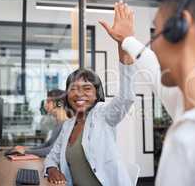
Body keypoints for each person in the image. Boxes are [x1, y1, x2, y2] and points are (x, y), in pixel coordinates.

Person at [100, 0, 195, 185]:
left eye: (155, 34)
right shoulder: (184, 99)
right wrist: (127, 40)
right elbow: (149, 64)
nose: (153, 46)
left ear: (180, 28)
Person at [44, 26, 136, 185]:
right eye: (73, 88)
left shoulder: (103, 115)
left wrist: (124, 44)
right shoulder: (69, 125)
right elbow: (52, 156)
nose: (79, 94)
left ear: (96, 94)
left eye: (87, 89)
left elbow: (126, 97)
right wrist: (52, 169)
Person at [15, 89, 68, 157]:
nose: (45, 105)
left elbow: (51, 150)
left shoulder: (66, 124)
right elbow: (48, 144)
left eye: (48, 102)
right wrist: (28, 149)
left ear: (59, 103)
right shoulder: (58, 123)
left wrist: (26, 151)